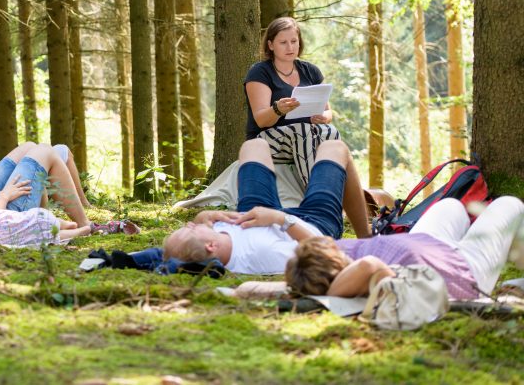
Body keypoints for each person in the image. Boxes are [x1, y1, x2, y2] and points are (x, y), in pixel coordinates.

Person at [162, 138, 370, 274]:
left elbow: (172, 251)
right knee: (334, 147)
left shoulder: (211, 243)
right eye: (189, 230)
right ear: (211, 246)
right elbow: (323, 250)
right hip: (312, 223)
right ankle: (367, 240)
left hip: (253, 214)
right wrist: (281, 219)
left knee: (254, 146)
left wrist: (203, 218)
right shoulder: (262, 254)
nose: (188, 223)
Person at [286, 197, 524, 301]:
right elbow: (368, 266)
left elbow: (248, 290)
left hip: (427, 242)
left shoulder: (327, 256)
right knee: (509, 205)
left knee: (449, 205)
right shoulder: (355, 275)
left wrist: (281, 219)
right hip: (461, 271)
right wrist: (321, 297)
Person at [244, 17, 340, 188]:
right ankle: (315, 195)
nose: (290, 47)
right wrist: (278, 109)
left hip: (306, 138)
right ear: (271, 45)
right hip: (265, 142)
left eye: (294, 41)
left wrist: (323, 118)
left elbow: (328, 112)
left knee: (330, 131)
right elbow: (260, 120)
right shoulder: (260, 72)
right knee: (303, 130)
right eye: (283, 42)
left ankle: (336, 192)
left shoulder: (311, 71)